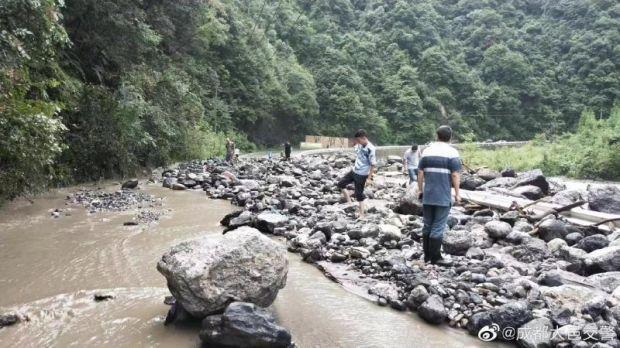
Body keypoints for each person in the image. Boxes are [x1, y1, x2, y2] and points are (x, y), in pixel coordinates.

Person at [417, 125, 461, 265]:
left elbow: (420, 173)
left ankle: (427, 256)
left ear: (437, 135)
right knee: (438, 226)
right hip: (442, 195)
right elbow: (455, 174)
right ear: (450, 137)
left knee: (427, 225)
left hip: (428, 194)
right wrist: (457, 194)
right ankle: (436, 258)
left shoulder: (426, 151)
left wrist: (420, 190)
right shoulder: (452, 152)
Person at [337, 129, 377, 218]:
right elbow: (354, 145)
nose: (358, 142)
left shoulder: (371, 149)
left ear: (364, 138)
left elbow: (373, 164)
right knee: (340, 184)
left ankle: (362, 214)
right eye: (357, 141)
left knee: (359, 194)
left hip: (362, 174)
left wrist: (369, 178)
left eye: (359, 140)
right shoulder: (359, 144)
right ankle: (350, 203)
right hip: (354, 171)